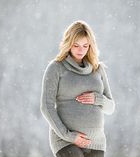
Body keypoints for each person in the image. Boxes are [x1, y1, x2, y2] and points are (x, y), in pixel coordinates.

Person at [40, 20, 116, 157]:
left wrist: (97, 99)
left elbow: (110, 107)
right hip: (66, 141)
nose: (81, 50)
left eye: (85, 45)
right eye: (76, 45)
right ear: (68, 44)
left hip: (96, 142)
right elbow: (46, 106)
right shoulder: (56, 67)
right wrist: (69, 136)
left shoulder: (97, 68)